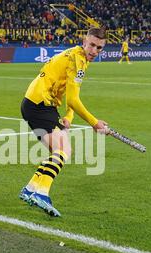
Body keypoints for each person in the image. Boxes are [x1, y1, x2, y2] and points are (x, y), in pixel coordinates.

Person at [19, 27, 109, 217]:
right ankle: (41, 193)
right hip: (39, 103)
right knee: (64, 150)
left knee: (58, 150)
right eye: (92, 45)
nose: (94, 51)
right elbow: (73, 100)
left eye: (99, 48)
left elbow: (71, 95)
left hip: (39, 103)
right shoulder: (78, 59)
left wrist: (68, 117)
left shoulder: (79, 58)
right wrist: (94, 123)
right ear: (84, 41)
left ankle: (31, 189)